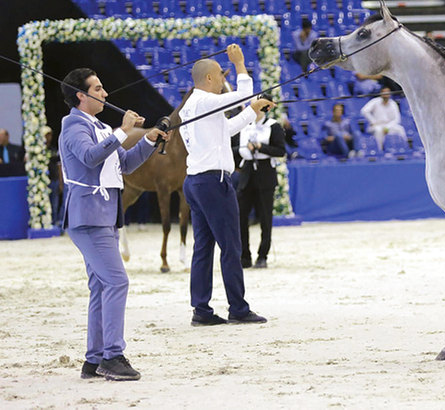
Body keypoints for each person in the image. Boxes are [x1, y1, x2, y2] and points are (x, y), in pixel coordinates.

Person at [59, 67, 168, 381]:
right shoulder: (72, 125)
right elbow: (90, 157)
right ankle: (113, 356)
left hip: (104, 217)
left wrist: (148, 139)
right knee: (117, 282)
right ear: (82, 95)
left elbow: (125, 164)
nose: (105, 93)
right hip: (88, 217)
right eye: (98, 88)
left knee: (101, 286)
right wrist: (122, 131)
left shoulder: (101, 127)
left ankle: (94, 360)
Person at [179, 44, 274, 326]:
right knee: (231, 245)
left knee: (204, 248)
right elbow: (242, 94)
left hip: (195, 182)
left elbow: (226, 130)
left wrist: (252, 112)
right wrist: (241, 64)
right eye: (221, 74)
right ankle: (238, 308)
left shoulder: (192, 106)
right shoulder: (206, 101)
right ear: (209, 78)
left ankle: (202, 310)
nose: (224, 78)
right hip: (212, 181)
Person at [237, 112, 286, 269]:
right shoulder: (245, 126)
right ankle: (245, 255)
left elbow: (280, 151)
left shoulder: (273, 126)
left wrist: (260, 147)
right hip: (247, 172)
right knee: (241, 216)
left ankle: (262, 255)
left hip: (265, 172)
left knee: (265, 217)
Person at [43, 126, 64, 226]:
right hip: (43, 182)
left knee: (55, 204)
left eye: (50, 135)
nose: (48, 137)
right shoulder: (38, 151)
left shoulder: (54, 149)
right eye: (47, 135)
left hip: (54, 180)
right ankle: (46, 223)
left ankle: (55, 223)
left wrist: (61, 182)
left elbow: (59, 166)